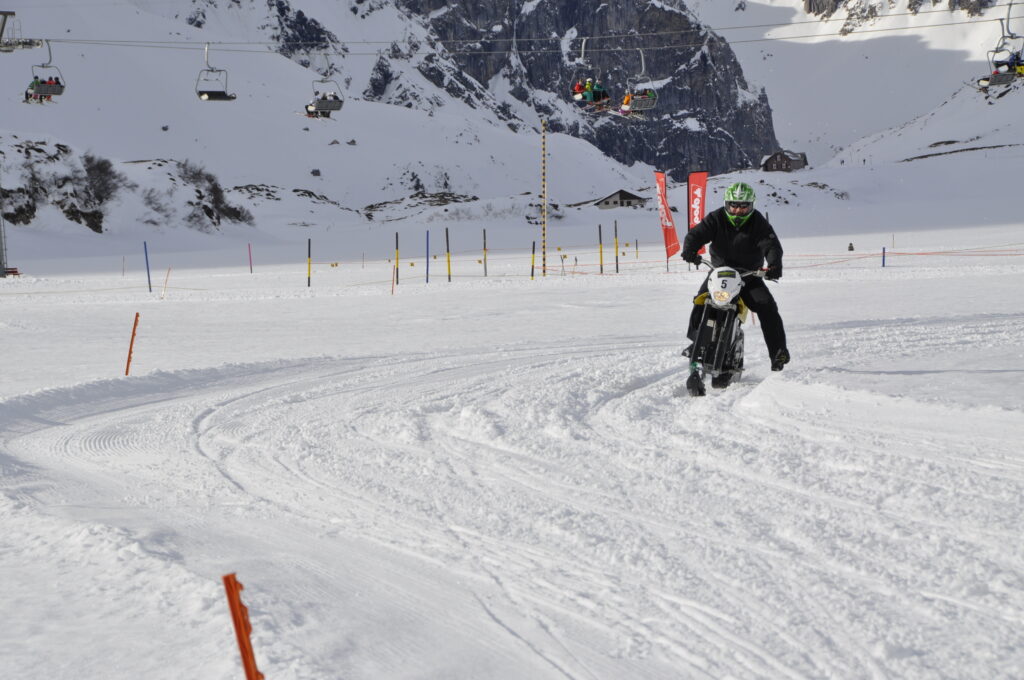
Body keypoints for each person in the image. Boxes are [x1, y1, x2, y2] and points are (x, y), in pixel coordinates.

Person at [680, 181, 790, 372]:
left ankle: (778, 353)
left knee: (767, 308)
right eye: (734, 205)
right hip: (719, 272)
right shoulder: (716, 218)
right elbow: (696, 235)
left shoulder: (758, 222)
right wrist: (689, 250)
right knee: (700, 302)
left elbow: (771, 245)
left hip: (749, 276)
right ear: (727, 204)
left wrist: (774, 265)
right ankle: (696, 341)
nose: (738, 210)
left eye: (743, 206)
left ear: (751, 205)